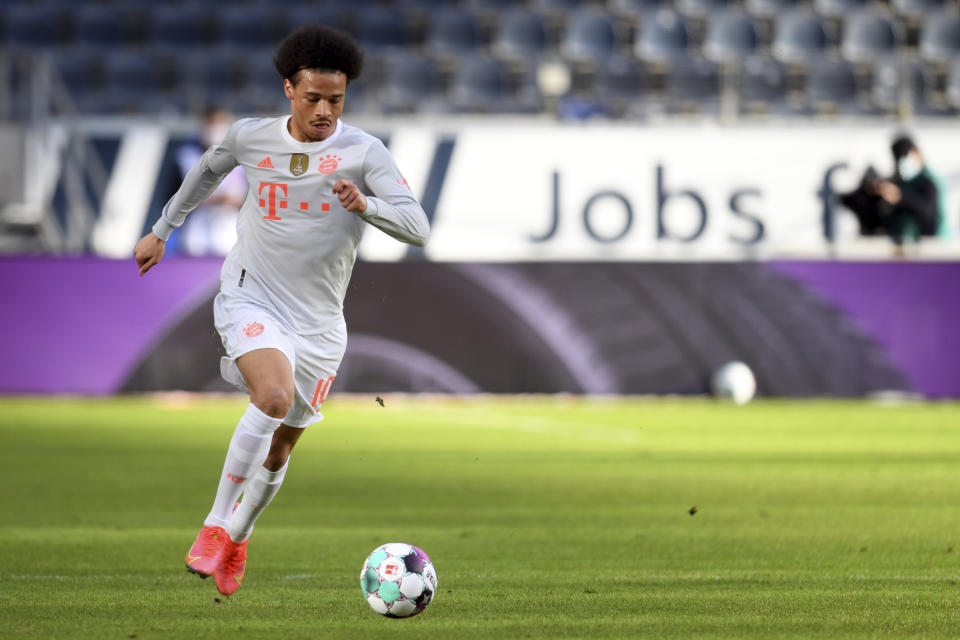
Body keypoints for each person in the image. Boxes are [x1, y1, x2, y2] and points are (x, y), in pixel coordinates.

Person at [133, 25, 429, 597]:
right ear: (288, 88)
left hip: (320, 322)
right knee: (269, 395)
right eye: (313, 97)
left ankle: (239, 536)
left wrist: (366, 204)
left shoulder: (364, 152)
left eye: (336, 101)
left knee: (281, 446)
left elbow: (418, 228)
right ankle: (216, 525)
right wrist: (162, 229)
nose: (324, 111)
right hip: (252, 293)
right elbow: (208, 170)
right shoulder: (252, 137)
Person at [839, 135, 947, 249]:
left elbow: (928, 211)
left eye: (903, 158)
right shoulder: (905, 181)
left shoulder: (930, 182)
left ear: (916, 153)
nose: (900, 164)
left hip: (934, 249)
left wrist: (900, 197)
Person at [175, 107, 247, 256]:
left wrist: (233, 201)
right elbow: (175, 196)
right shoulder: (186, 157)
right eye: (212, 124)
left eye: (221, 124)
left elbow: (247, 196)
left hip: (228, 224)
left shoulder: (241, 158)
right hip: (197, 224)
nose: (216, 129)